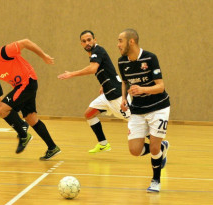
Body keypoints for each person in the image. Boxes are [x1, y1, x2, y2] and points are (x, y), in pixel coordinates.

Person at [0, 40, 61, 160]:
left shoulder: (3, 52)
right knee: (31, 118)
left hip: (27, 82)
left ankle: (24, 136)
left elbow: (26, 42)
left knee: (2, 109)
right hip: (21, 86)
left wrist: (43, 55)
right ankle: (52, 147)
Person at [58, 30, 130, 153]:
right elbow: (107, 70)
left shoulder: (98, 51)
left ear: (94, 40)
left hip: (117, 95)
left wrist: (71, 74)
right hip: (107, 93)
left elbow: (93, 69)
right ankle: (103, 144)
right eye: (84, 41)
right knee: (89, 114)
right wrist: (104, 84)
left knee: (134, 122)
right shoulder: (94, 54)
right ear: (81, 44)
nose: (87, 43)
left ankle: (160, 144)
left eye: (89, 40)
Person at [117, 29, 170, 192]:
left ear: (131, 41)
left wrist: (142, 89)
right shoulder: (122, 62)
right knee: (134, 151)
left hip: (158, 107)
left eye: (120, 41)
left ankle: (155, 180)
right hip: (138, 109)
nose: (118, 45)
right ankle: (162, 148)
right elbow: (124, 82)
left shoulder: (150, 58)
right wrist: (124, 98)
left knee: (153, 148)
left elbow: (161, 87)